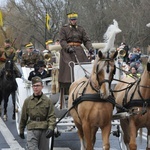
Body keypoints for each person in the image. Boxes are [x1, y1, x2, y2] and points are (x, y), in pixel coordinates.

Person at [59, 12, 94, 99]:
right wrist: (67, 48)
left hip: (79, 50)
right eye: (72, 20)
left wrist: (90, 48)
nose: (74, 21)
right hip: (68, 51)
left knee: (85, 66)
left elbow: (86, 40)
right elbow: (62, 41)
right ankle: (68, 88)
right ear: (69, 20)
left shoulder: (81, 29)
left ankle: (85, 85)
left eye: (75, 19)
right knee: (69, 67)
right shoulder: (64, 29)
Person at [19, 76, 56, 150]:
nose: (36, 88)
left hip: (44, 129)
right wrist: (21, 130)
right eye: (34, 86)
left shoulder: (47, 101)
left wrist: (51, 128)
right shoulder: (28, 101)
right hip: (32, 129)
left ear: (42, 86)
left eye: (38, 86)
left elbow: (51, 116)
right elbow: (23, 117)